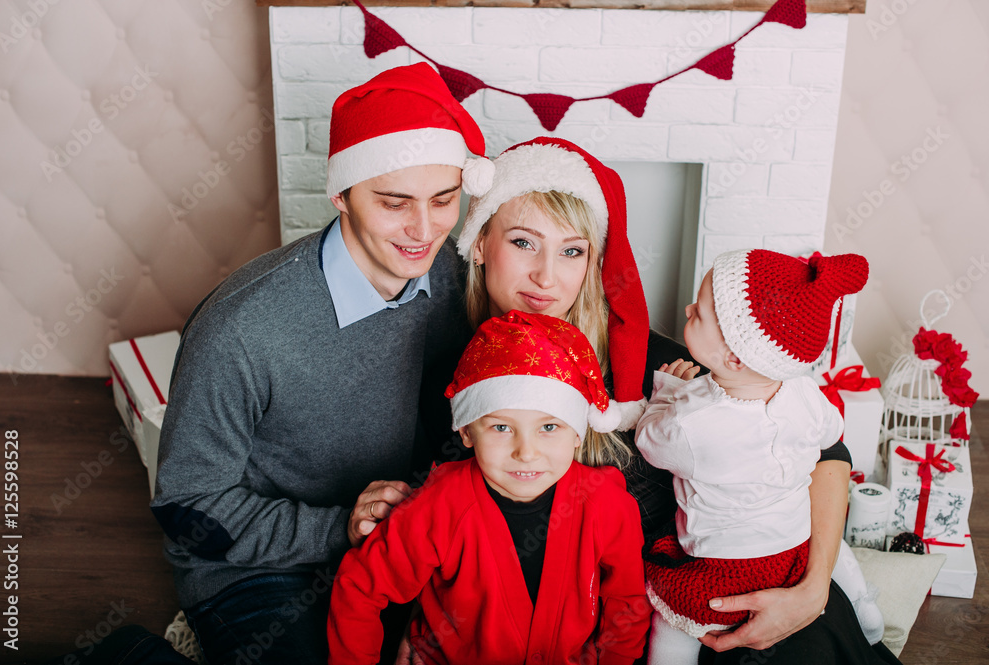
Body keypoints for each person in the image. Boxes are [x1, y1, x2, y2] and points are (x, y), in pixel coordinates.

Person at [450, 136, 900, 665]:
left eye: (572, 250)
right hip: (639, 622)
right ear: (480, 243)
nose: (547, 276)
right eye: (524, 242)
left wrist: (813, 587)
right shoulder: (450, 375)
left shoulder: (663, 365)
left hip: (771, 588)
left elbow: (828, 454)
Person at [149, 62, 493, 665]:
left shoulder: (453, 278)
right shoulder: (241, 329)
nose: (423, 229)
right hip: (262, 565)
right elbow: (189, 508)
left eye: (443, 200)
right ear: (341, 195)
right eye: (394, 203)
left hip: (402, 542)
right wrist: (339, 529)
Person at [330, 309, 651, 664]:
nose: (526, 453)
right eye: (501, 428)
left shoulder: (607, 502)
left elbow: (627, 604)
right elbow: (360, 586)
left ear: (578, 432)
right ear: (466, 430)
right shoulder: (438, 504)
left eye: (549, 428)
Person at [635, 250, 883, 663]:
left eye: (700, 313)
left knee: (672, 621)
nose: (687, 308)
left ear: (733, 357)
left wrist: (665, 391)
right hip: (795, 553)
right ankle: (865, 609)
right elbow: (831, 435)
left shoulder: (692, 421)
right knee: (830, 539)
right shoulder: (804, 392)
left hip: (722, 572)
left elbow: (649, 440)